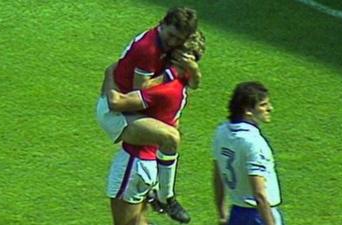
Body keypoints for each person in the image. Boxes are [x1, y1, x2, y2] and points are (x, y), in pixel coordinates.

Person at [96, 7, 199, 223]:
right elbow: (133, 92)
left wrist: (111, 76)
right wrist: (179, 71)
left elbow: (127, 96)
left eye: (177, 41)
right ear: (162, 24)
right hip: (129, 131)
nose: (172, 43)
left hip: (136, 159)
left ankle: (163, 196)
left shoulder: (169, 82)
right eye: (171, 36)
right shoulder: (153, 53)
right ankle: (165, 196)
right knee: (170, 137)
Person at [212, 81, 284, 225]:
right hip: (259, 216)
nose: (270, 108)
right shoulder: (254, 143)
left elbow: (217, 175)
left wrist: (222, 213)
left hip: (237, 214)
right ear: (248, 110)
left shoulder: (221, 132)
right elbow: (260, 194)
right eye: (263, 105)